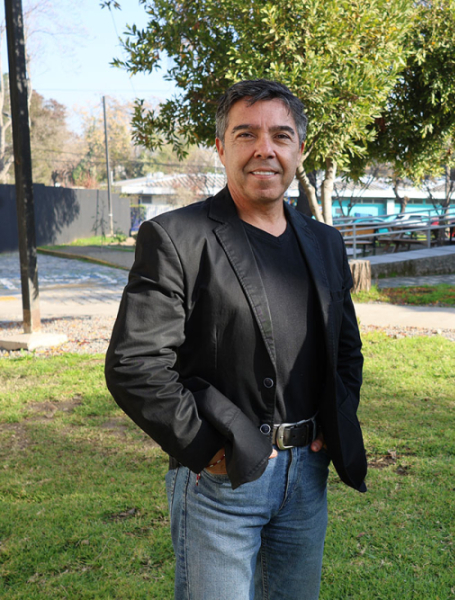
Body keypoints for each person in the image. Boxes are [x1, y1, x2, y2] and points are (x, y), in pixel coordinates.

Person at [106, 79, 366, 600]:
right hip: (221, 484)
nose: (264, 149)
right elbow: (135, 365)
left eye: (281, 135)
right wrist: (207, 449)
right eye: (246, 134)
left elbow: (346, 350)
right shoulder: (177, 238)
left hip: (306, 480)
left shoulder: (326, 243)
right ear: (222, 147)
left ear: (300, 149)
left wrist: (329, 420)